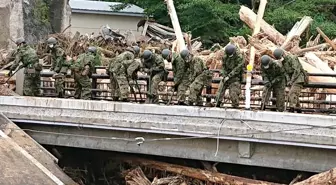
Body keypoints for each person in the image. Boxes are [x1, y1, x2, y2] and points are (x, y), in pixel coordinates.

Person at [273, 48, 308, 113]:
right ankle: (298, 109)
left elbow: (297, 70)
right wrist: (288, 81)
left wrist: (291, 81)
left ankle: (292, 108)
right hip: (292, 79)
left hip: (299, 78)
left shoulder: (292, 58)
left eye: (280, 57)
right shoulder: (282, 62)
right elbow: (285, 72)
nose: (280, 59)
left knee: (292, 93)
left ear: (283, 54)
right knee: (294, 94)